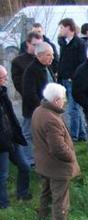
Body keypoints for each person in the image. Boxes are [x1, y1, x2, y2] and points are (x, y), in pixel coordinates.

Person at [32, 83, 81, 220]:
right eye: (63, 99)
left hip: (44, 163)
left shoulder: (39, 111)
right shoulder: (52, 119)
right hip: (57, 167)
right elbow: (58, 148)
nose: (65, 102)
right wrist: (72, 157)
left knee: (45, 193)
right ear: (55, 100)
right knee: (61, 200)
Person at [0, 66, 32, 209]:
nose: (6, 80)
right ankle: (4, 204)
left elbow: (11, 117)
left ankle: (22, 194)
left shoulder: (3, 93)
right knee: (3, 175)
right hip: (2, 143)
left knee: (25, 166)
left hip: (12, 138)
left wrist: (17, 134)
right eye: (3, 77)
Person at [21, 42, 56, 166]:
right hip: (34, 110)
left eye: (52, 55)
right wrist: (41, 108)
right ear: (39, 55)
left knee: (45, 135)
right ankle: (29, 161)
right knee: (28, 134)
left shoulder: (47, 67)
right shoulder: (31, 70)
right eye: (48, 55)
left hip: (48, 109)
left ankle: (45, 158)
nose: (52, 57)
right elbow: (30, 93)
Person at [11, 32, 42, 167]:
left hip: (44, 101)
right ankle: (28, 160)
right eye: (35, 45)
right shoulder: (19, 61)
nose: (37, 48)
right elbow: (19, 84)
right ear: (28, 44)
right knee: (27, 132)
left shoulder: (43, 58)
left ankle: (41, 158)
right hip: (30, 102)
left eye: (39, 45)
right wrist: (32, 98)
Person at [57, 18, 88, 141]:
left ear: (69, 28)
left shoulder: (79, 44)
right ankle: (81, 134)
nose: (60, 30)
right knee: (74, 108)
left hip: (73, 80)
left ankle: (74, 136)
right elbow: (62, 61)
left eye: (62, 27)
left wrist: (73, 77)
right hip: (64, 79)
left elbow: (82, 63)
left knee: (72, 108)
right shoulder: (63, 43)